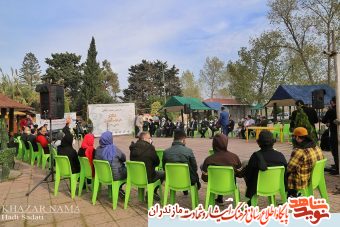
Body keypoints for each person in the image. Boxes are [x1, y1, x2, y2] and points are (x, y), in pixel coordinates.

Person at [240, 130, 287, 202]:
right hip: (276, 186)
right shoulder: (280, 155)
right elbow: (285, 174)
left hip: (257, 187)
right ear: (273, 142)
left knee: (247, 169)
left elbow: (249, 175)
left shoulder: (256, 156)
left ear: (259, 142)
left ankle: (251, 199)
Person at [201, 133, 241, 204]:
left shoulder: (208, 160)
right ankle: (220, 198)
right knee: (229, 174)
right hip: (231, 185)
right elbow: (239, 174)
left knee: (215, 175)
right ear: (226, 143)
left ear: (213, 144)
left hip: (214, 186)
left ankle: (219, 198)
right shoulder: (234, 157)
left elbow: (204, 178)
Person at [287, 127, 324, 197]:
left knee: (284, 175)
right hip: (316, 178)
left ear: (297, 137)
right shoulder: (316, 147)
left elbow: (289, 168)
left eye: (293, 136)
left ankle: (291, 197)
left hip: (303, 181)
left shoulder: (299, 151)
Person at [129, 131, 165, 200]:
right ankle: (152, 191)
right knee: (163, 174)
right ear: (144, 138)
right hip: (148, 177)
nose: (150, 139)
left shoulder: (133, 147)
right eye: (149, 138)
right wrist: (151, 146)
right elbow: (157, 162)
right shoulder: (150, 148)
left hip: (135, 177)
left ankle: (147, 194)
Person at [322, 96, 339, 175]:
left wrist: (329, 122)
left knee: (335, 151)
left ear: (332, 102)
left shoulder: (331, 110)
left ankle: (337, 168)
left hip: (335, 134)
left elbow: (323, 120)